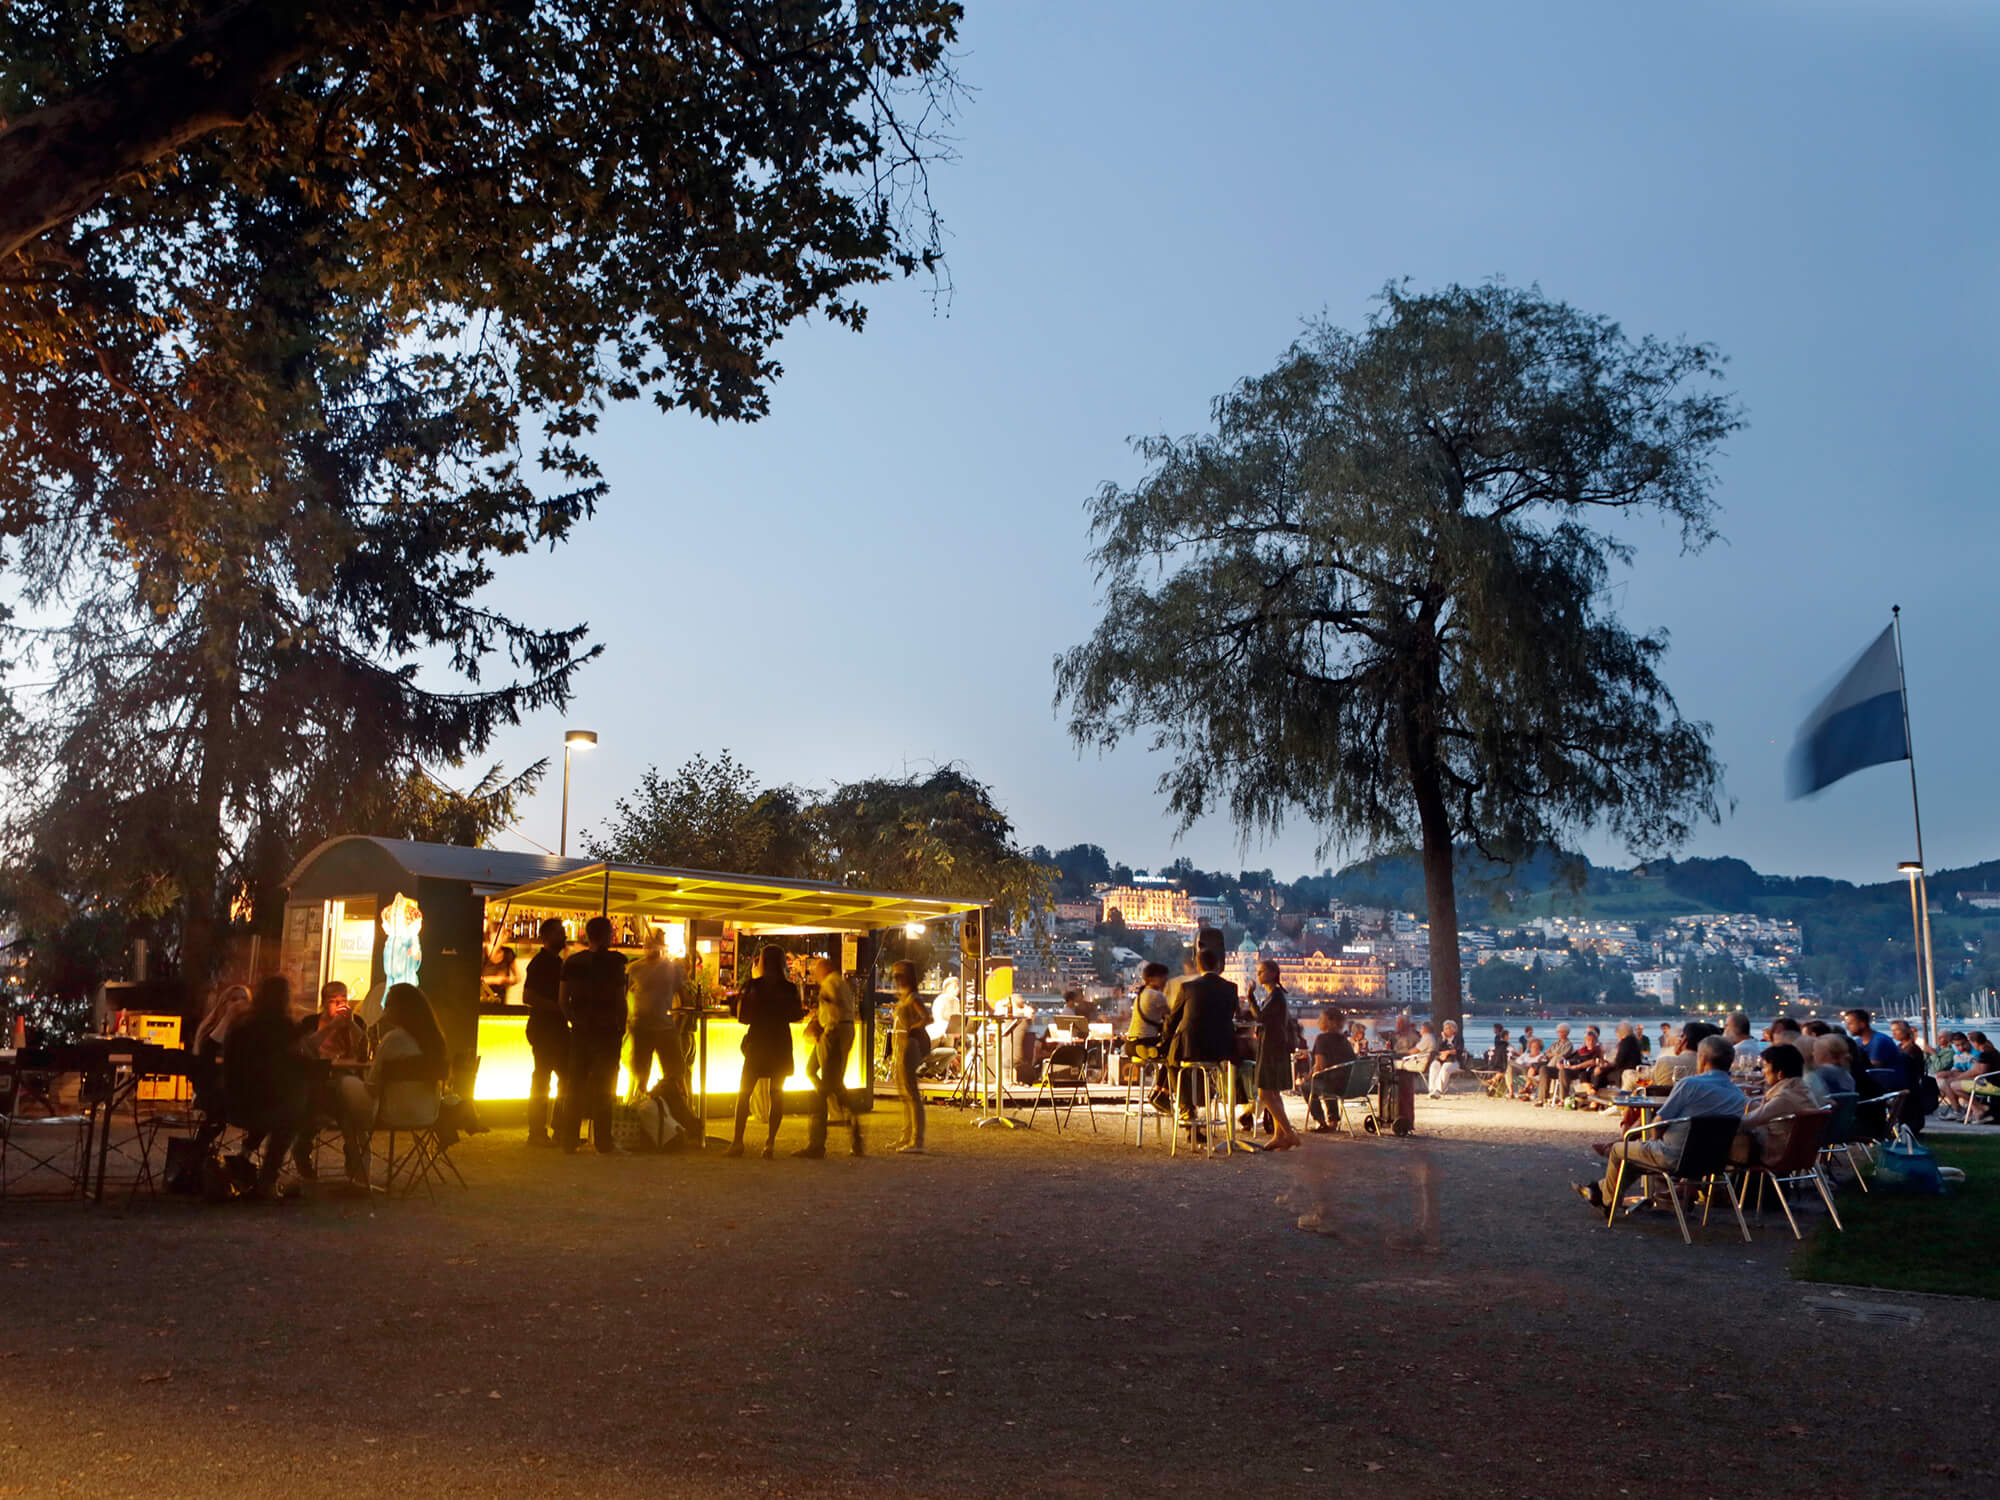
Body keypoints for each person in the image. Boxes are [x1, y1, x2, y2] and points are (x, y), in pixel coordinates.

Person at [1580, 1035, 1743, 1211]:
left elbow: (1660, 1120)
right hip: (1712, 1161)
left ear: (1702, 1059)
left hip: (1672, 1156)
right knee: (1634, 1160)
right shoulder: (1738, 1095)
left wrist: (1654, 1139)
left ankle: (1607, 1202)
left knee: (1619, 1149)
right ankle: (1599, 1190)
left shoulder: (1690, 1084)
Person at [336, 983, 448, 1189]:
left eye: (388, 1005)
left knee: (341, 1090)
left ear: (401, 1010)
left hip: (389, 1112)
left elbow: (372, 1087)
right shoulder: (434, 1042)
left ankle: (359, 1171)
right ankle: (358, 1173)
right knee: (348, 1104)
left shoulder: (394, 1039)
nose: (384, 1010)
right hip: (428, 1113)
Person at [222, 975, 312, 1201]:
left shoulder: (242, 1025)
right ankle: (268, 1177)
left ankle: (245, 1156)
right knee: (294, 1111)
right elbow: (301, 1061)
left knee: (281, 1104)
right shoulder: (284, 1027)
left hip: (235, 1103)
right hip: (268, 1105)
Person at [558, 915, 629, 1155]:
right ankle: (603, 1141)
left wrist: (573, 1019)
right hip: (607, 1030)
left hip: (580, 1030)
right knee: (605, 1087)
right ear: (608, 935)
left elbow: (562, 999)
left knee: (575, 1085)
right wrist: (622, 1025)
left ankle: (569, 1139)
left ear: (588, 935)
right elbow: (621, 1000)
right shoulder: (615, 963)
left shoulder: (572, 962)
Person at [727, 945, 802, 1158]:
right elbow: (796, 1015)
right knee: (777, 1094)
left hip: (758, 1041)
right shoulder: (789, 988)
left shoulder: (754, 986)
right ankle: (770, 1143)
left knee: (744, 1093)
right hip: (780, 1041)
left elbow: (743, 1016)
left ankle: (737, 1142)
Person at [1160, 929, 1239, 1124]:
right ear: (1219, 964)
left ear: (1198, 964)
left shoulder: (1188, 988)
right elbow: (1230, 1016)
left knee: (1172, 1060)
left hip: (1191, 1048)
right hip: (1221, 1050)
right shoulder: (1231, 988)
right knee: (1199, 1066)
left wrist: (1165, 1040)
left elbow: (1173, 1019)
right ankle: (1204, 1103)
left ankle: (1187, 1107)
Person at [799, 956, 867, 1159]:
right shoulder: (841, 982)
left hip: (833, 1034)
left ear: (825, 969)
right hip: (836, 1032)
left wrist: (825, 1008)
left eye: (816, 971)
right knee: (814, 1071)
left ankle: (818, 1143)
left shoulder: (831, 982)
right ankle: (834, 1099)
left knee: (828, 1084)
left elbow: (834, 1006)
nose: (815, 975)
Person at [521, 918, 570, 1147]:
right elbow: (528, 997)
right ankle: (541, 1131)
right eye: (560, 933)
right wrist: (559, 1007)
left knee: (554, 1078)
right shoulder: (541, 963)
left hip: (551, 1028)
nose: (564, 937)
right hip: (546, 1028)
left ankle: (551, 1130)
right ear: (547, 936)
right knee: (548, 1078)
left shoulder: (554, 962)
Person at [1731, 1042, 1815, 1165]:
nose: (1763, 1072)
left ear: (1780, 1073)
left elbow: (1749, 1120)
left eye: (1765, 1067)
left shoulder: (1785, 1098)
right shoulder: (1803, 1090)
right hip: (1801, 1151)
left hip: (1776, 1153)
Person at [626, 929, 685, 1097]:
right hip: (642, 1027)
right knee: (641, 1076)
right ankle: (641, 1109)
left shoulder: (672, 968)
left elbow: (683, 998)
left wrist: (678, 1025)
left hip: (664, 1029)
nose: (651, 946)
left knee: (674, 1075)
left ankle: (681, 1111)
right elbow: (623, 994)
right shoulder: (635, 968)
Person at [1251, 961, 1300, 1149]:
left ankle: (1289, 1133)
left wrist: (1250, 997)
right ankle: (1280, 1135)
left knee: (1264, 1093)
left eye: (1261, 971)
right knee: (1274, 1093)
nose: (1258, 975)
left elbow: (1260, 1017)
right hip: (1275, 1046)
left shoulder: (1276, 997)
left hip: (1271, 1047)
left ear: (1272, 973)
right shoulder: (1276, 996)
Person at [886, 960, 930, 1154]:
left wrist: (911, 1029)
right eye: (895, 975)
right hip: (900, 1044)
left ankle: (916, 1140)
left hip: (908, 1045)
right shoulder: (904, 996)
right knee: (905, 1093)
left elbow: (926, 1017)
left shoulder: (912, 997)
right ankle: (907, 1135)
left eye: (899, 975)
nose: (896, 979)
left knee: (911, 1093)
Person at [1305, 1007, 1356, 1131]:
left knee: (1307, 1086)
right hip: (1349, 1085)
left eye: (1321, 1018)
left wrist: (1308, 1076)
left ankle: (1320, 1121)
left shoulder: (1322, 1039)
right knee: (1328, 1080)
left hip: (1333, 1085)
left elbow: (1320, 1066)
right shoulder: (1345, 1040)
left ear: (1328, 1021)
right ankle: (1333, 1120)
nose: (1318, 1021)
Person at [1126, 962, 1171, 1053]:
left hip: (1130, 1044)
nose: (1166, 981)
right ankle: (1152, 1051)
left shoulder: (1141, 994)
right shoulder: (1157, 995)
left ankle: (1149, 1051)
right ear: (1152, 979)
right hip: (1146, 1041)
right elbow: (1171, 1015)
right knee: (1173, 1046)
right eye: (1163, 977)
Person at [1806, 1033, 1856, 1106]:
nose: (1812, 1053)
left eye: (1814, 1050)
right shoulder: (1846, 1074)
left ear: (1823, 1054)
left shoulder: (1819, 1074)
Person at [1426, 1019, 1465, 1099]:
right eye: (1445, 1028)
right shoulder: (1441, 1039)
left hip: (1454, 1061)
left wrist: (1447, 1052)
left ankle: (1438, 1091)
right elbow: (1437, 1049)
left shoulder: (1458, 1039)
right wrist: (1444, 1040)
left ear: (1453, 1029)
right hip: (1441, 1059)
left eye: (1448, 1028)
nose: (1446, 1030)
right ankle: (1432, 1089)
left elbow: (1458, 1050)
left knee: (1445, 1068)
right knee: (1434, 1066)